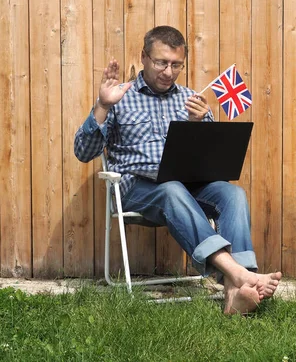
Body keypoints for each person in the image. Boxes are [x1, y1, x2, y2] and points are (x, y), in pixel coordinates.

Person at [74, 25, 281, 315]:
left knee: (233, 194)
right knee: (171, 189)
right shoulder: (120, 97)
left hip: (188, 184)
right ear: (144, 57)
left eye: (176, 65)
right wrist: (102, 107)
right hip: (138, 189)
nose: (168, 72)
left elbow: (212, 158)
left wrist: (201, 125)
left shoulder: (192, 99)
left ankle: (236, 293)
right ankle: (241, 274)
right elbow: (83, 152)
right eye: (161, 62)